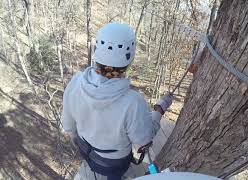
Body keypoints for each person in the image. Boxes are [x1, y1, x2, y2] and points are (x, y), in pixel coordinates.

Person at [61, 22, 173, 180]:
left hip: (88, 154)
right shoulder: (133, 102)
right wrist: (159, 110)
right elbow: (143, 142)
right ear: (129, 59)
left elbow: (68, 126)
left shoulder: (76, 82)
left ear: (96, 51)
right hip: (115, 166)